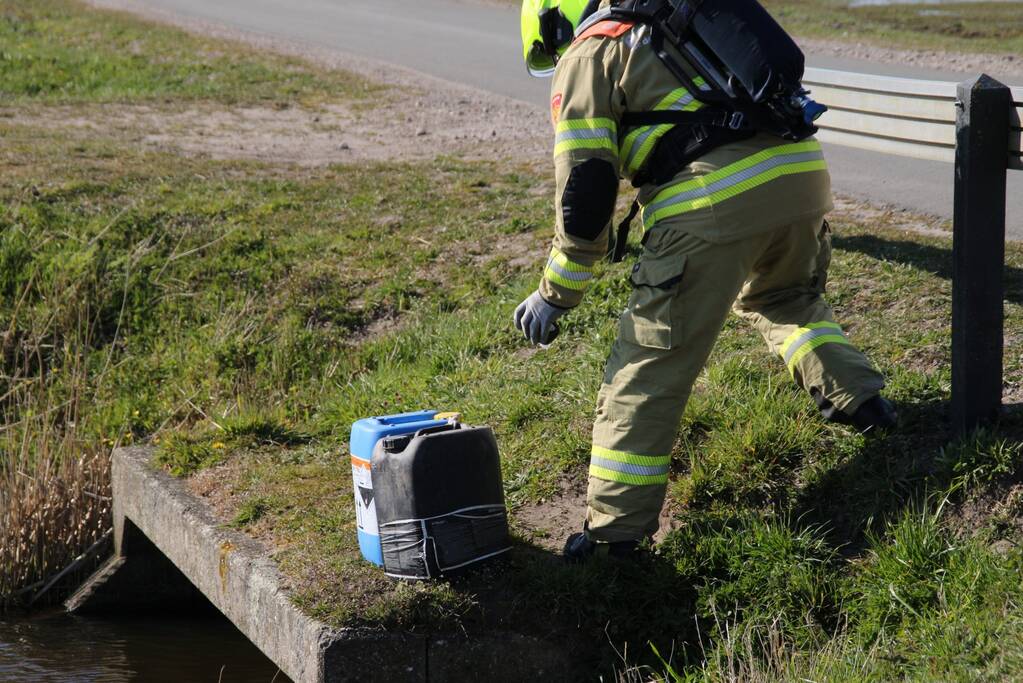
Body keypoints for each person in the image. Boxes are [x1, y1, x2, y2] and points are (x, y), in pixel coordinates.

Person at [513, 0, 897, 561]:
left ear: (556, 20)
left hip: (712, 203)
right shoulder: (676, 21)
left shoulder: (591, 51)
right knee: (785, 298)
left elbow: (587, 188)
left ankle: (615, 536)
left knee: (647, 367)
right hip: (802, 179)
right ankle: (866, 406)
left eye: (552, 45)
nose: (558, 52)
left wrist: (555, 293)